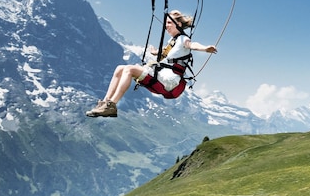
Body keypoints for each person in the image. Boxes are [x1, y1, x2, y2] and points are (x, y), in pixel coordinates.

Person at [86, 10, 218, 118]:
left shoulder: (184, 39)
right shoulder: (172, 41)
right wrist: (156, 53)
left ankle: (112, 105)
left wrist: (205, 48)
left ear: (178, 23)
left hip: (170, 79)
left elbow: (192, 45)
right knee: (120, 68)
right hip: (163, 75)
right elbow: (167, 55)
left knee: (129, 70)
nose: (166, 26)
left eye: (169, 23)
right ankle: (105, 102)